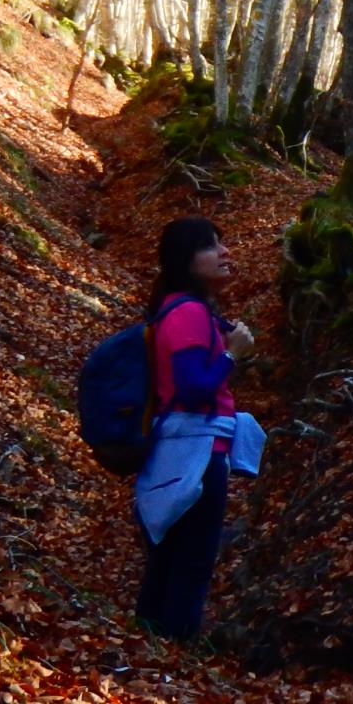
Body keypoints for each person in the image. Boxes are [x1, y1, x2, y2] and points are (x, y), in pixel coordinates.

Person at [133, 216, 265, 640]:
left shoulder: (185, 309)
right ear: (185, 260)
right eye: (211, 246)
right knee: (191, 562)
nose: (225, 252)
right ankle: (174, 656)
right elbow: (193, 389)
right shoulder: (187, 313)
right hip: (195, 453)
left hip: (188, 448)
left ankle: (151, 645)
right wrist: (232, 355)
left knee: (170, 560)